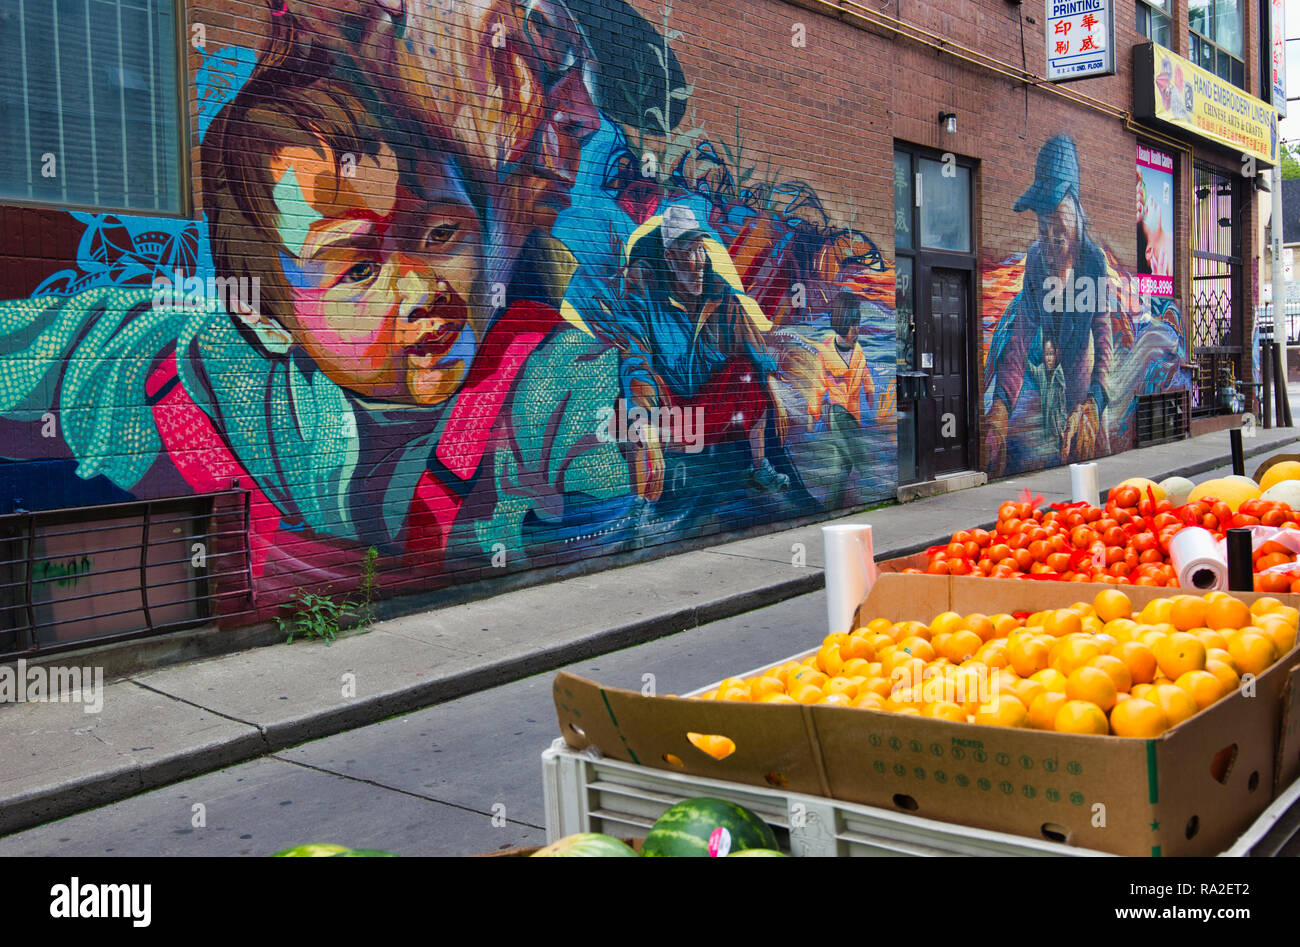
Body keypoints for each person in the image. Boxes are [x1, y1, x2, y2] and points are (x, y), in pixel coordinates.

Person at [619, 204, 790, 491]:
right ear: (669, 257)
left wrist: (774, 389)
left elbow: (751, 340)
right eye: (689, 251)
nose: (699, 262)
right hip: (669, 407)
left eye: (701, 249)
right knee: (630, 410)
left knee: (746, 371)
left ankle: (760, 466)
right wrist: (645, 422)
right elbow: (635, 361)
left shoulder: (718, 292)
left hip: (707, 404)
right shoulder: (643, 294)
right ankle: (641, 503)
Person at [984, 135, 1112, 477]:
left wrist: (1094, 401)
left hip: (1083, 377)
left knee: (1088, 457)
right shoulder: (1036, 260)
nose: (1051, 241)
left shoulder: (1093, 261)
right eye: (1043, 227)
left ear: (1076, 214)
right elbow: (1019, 339)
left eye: (1059, 229)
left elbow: (1103, 338)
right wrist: (1000, 410)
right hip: (1053, 376)